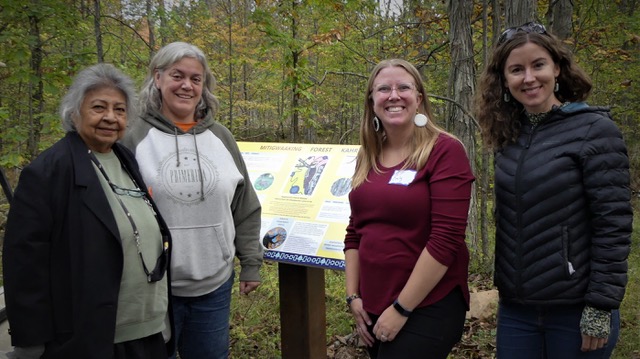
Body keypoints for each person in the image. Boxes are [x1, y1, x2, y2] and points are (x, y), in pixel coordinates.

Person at [474, 22, 632, 358]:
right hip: (518, 310)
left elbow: (613, 225)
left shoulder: (594, 130)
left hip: (575, 310)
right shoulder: (509, 136)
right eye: (516, 70)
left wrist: (600, 306)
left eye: (538, 65)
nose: (529, 78)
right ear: (504, 80)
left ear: (557, 68)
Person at [2, 63, 173, 359]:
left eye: (119, 110)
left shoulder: (125, 159)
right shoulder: (49, 171)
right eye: (98, 107)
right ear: (74, 112)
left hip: (148, 330)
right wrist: (30, 338)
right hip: (91, 336)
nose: (110, 117)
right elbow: (25, 261)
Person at [122, 41, 263, 359]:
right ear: (158, 78)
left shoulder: (221, 137)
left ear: (204, 85)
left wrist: (251, 263)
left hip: (214, 285)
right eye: (177, 75)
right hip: (153, 287)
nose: (186, 85)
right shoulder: (132, 136)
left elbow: (244, 205)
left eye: (195, 78)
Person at [343, 59, 475, 359]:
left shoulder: (444, 150)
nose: (393, 95)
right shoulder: (368, 154)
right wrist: (353, 296)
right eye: (383, 89)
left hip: (428, 304)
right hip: (373, 303)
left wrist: (402, 308)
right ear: (371, 100)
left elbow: (446, 239)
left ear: (419, 99)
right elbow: (355, 232)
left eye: (403, 87)